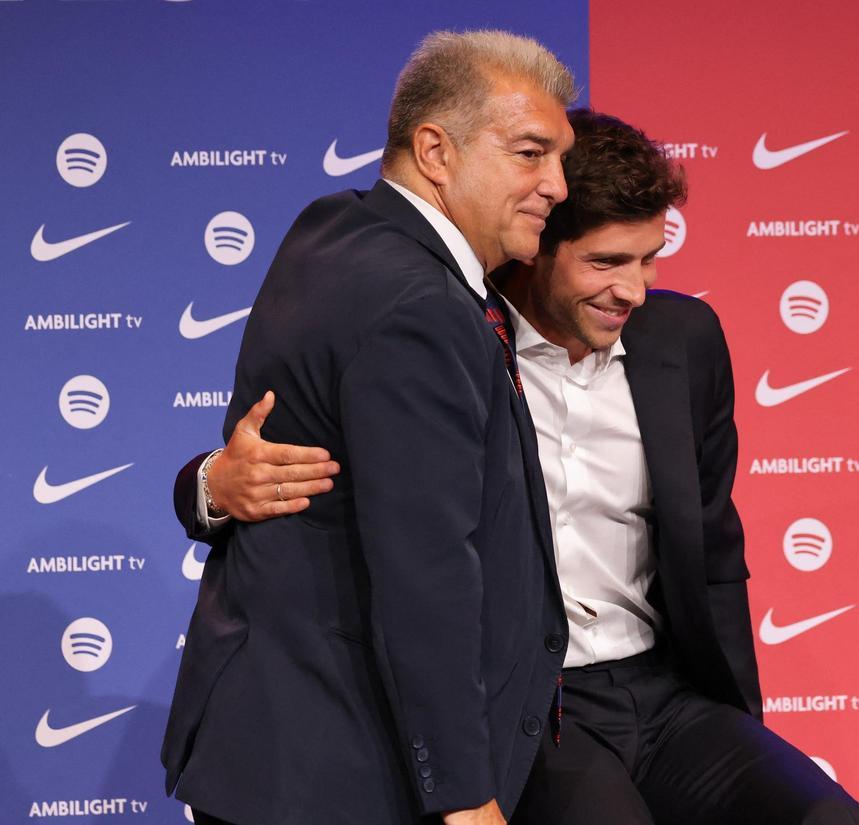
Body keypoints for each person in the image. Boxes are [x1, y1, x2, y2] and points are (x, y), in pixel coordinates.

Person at [181, 109, 859, 824]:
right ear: (537, 247)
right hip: (535, 703)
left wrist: (742, 727)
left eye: (649, 259)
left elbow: (715, 552)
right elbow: (332, 489)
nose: (633, 291)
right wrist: (208, 484)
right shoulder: (450, 339)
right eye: (607, 263)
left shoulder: (685, 342)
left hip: (666, 695)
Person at [161, 31, 576, 825]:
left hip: (269, 749)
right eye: (530, 153)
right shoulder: (419, 306)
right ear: (435, 150)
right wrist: (463, 794)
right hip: (340, 771)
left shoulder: (334, 228)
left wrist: (212, 482)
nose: (556, 184)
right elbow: (427, 571)